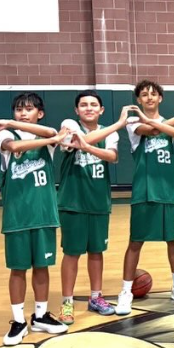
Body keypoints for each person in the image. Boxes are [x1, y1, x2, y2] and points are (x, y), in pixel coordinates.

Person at [0, 93, 69, 345]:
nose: (22, 113)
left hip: (44, 214)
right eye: (18, 110)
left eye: (29, 109)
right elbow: (14, 147)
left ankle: (41, 316)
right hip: (17, 215)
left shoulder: (47, 133)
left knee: (42, 267)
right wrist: (10, 126)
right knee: (18, 269)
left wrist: (50, 137)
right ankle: (18, 321)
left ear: (39, 114)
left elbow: (50, 132)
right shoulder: (4, 134)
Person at [116, 81, 174, 314]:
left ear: (160, 98)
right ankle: (126, 292)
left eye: (154, 94)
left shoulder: (165, 123)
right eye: (144, 95)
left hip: (169, 190)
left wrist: (173, 120)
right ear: (138, 100)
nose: (150, 97)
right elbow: (152, 130)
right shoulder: (133, 122)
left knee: (173, 241)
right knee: (136, 242)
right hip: (145, 190)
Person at [57, 90, 131, 322]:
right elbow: (77, 141)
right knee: (72, 254)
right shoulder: (68, 124)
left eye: (93, 104)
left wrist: (87, 147)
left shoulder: (110, 134)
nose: (88, 108)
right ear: (77, 110)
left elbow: (112, 156)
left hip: (99, 200)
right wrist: (119, 124)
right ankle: (67, 303)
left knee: (96, 252)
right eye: (83, 105)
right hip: (73, 201)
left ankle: (96, 297)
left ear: (101, 110)